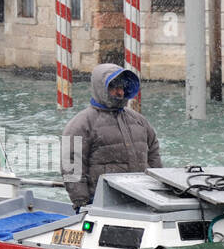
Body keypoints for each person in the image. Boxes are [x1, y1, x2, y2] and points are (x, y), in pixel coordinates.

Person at [61, 63, 161, 208]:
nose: (119, 92)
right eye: (113, 88)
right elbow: (71, 168)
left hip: (142, 200)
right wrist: (82, 203)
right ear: (101, 88)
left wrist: (157, 191)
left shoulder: (139, 121)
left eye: (122, 88)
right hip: (103, 203)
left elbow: (154, 155)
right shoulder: (80, 124)